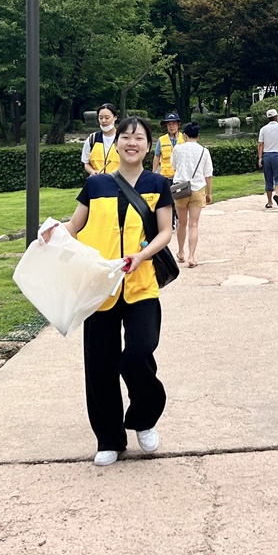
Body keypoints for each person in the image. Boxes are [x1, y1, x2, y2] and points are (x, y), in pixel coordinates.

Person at [52, 116, 174, 466]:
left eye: (139, 137)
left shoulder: (156, 183)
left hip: (141, 284)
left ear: (148, 145)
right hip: (100, 288)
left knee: (138, 354)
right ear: (115, 143)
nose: (131, 142)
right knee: (100, 364)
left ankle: (144, 417)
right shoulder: (96, 185)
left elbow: (165, 231)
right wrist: (51, 234)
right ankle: (109, 439)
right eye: (125, 137)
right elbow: (73, 227)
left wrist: (142, 256)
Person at [171, 122, 213, 267]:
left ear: (184, 135)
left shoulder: (178, 149)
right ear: (198, 136)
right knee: (193, 224)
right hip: (197, 189)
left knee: (181, 223)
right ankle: (192, 257)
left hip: (181, 188)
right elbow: (208, 174)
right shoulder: (204, 151)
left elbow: (174, 166)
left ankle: (181, 252)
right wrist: (209, 193)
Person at [257, 107, 278, 208]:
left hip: (266, 156)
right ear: (276, 117)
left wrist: (260, 158)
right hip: (277, 155)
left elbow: (260, 144)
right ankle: (276, 194)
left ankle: (269, 202)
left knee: (268, 179)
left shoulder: (263, 129)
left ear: (268, 119)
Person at [82, 102, 120, 176]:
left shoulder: (122, 138)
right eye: (100, 118)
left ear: (115, 117)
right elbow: (86, 163)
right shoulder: (92, 138)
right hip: (97, 181)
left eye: (107, 118)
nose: (103, 121)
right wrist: (92, 171)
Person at [154, 113, 185, 177]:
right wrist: (153, 172)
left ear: (178, 125)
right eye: (169, 124)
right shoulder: (161, 140)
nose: (171, 126)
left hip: (181, 175)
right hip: (166, 175)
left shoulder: (185, 138)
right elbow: (157, 157)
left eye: (173, 124)